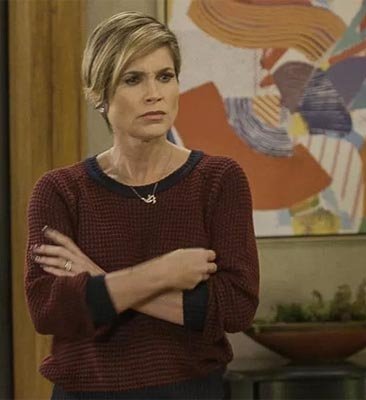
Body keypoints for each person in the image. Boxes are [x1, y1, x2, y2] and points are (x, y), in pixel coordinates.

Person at [25, 11, 259, 400]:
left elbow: (235, 307)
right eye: (133, 79)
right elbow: (49, 310)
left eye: (165, 76)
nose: (155, 94)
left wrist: (99, 280)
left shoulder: (219, 180)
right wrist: (164, 273)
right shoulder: (60, 191)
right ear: (99, 94)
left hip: (190, 391)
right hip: (85, 393)